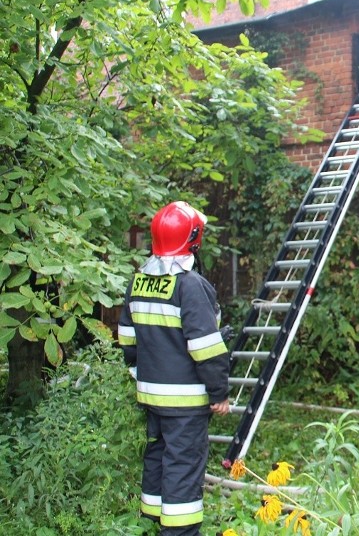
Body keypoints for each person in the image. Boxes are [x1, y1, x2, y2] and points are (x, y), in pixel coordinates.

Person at [117, 201, 230, 535]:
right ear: (192, 240)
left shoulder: (138, 282)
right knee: (183, 464)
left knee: (157, 455)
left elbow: (128, 340)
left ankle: (151, 520)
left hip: (152, 395)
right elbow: (205, 349)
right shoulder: (190, 286)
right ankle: (179, 531)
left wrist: (143, 377)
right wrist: (219, 392)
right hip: (185, 403)